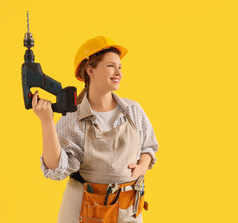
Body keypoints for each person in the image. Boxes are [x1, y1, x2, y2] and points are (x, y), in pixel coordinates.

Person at [32, 36, 159, 223]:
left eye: (120, 67)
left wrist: (141, 167)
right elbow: (55, 168)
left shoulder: (133, 111)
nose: (118, 72)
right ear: (90, 70)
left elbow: (148, 146)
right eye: (111, 66)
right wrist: (46, 121)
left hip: (127, 213)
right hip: (84, 214)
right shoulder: (73, 118)